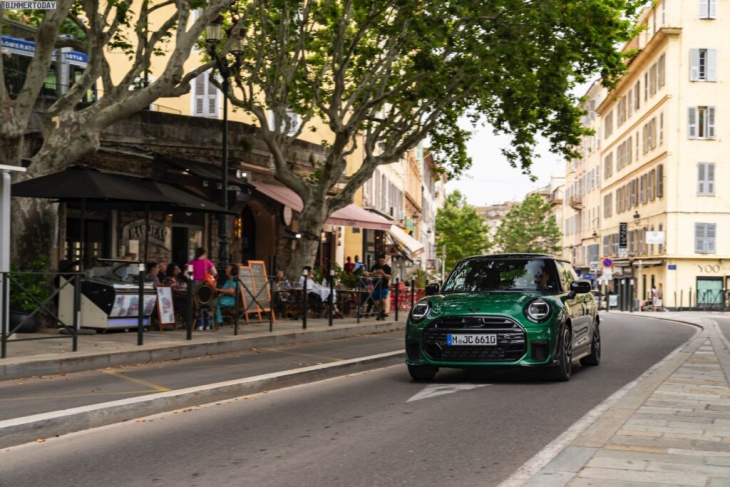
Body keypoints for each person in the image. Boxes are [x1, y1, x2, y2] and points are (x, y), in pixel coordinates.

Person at [367, 255, 391, 320]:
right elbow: (369, 274)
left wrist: (383, 273)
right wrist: (375, 273)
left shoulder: (387, 268)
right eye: (380, 261)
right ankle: (379, 312)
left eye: (382, 261)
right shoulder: (375, 266)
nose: (381, 262)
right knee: (375, 301)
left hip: (384, 286)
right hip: (375, 286)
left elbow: (389, 277)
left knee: (383, 299)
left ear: (384, 261)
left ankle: (382, 312)